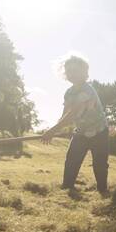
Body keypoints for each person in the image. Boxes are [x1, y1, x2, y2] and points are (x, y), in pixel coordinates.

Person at [40, 55, 110, 196]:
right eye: (69, 71)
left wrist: (52, 131)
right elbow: (65, 114)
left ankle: (103, 190)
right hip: (81, 132)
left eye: (76, 71)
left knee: (100, 163)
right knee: (72, 159)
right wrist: (58, 129)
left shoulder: (87, 90)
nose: (72, 74)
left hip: (99, 132)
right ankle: (68, 187)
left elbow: (74, 113)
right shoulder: (69, 93)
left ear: (85, 72)